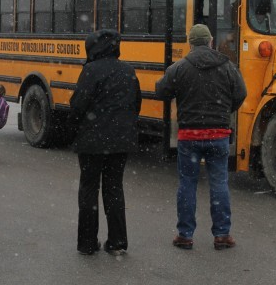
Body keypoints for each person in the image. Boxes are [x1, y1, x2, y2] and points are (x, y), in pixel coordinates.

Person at [155, 24, 247, 251]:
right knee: (219, 183)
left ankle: (185, 235)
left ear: (190, 43)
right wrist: (226, 110)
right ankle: (222, 234)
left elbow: (160, 91)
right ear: (210, 42)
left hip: (189, 136)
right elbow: (241, 93)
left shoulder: (180, 67)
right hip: (219, 135)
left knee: (187, 183)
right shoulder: (227, 66)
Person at [68, 29, 142, 256]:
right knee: (114, 188)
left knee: (89, 189)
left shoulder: (90, 71)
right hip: (120, 141)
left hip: (92, 142)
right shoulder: (128, 70)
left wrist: (74, 129)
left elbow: (78, 105)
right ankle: (118, 242)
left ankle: (88, 243)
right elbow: (136, 103)